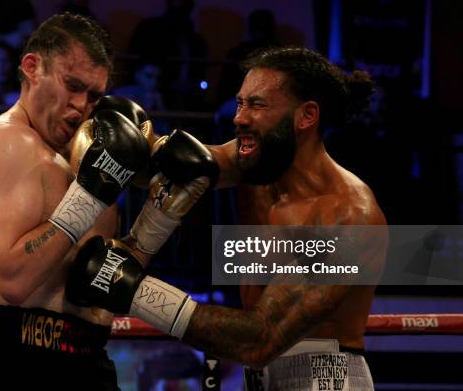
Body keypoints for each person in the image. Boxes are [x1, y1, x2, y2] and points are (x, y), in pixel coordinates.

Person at [67, 47, 387, 390]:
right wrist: (117, 137)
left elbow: (261, 339)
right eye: (240, 103)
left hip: (324, 378)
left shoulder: (349, 218)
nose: (239, 118)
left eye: (257, 105)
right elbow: (182, 166)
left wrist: (132, 289)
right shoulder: (258, 163)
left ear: (306, 116)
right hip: (258, 377)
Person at [0, 12, 156, 390]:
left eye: (94, 96)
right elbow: (14, 280)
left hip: (88, 356)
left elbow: (108, 279)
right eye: (72, 85)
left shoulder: (87, 164)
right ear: (33, 68)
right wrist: (89, 196)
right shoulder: (6, 143)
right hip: (14, 357)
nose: (81, 106)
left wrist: (163, 213)